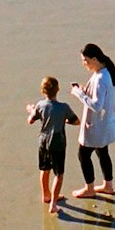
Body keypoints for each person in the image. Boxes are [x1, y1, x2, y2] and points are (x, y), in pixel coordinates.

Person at [70, 44, 115, 197]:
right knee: (102, 152)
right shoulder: (103, 72)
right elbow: (99, 97)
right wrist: (85, 90)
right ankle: (108, 185)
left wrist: (79, 93)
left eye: (85, 60)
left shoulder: (100, 78)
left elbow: (97, 106)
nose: (84, 63)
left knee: (83, 155)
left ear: (94, 59)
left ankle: (89, 189)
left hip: (97, 125)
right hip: (104, 123)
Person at [27, 77, 79, 214]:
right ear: (58, 90)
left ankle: (46, 195)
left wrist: (31, 110)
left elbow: (30, 120)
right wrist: (65, 120)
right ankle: (54, 204)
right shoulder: (64, 107)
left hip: (43, 140)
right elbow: (76, 121)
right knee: (59, 174)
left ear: (43, 91)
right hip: (57, 142)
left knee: (44, 169)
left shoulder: (40, 105)